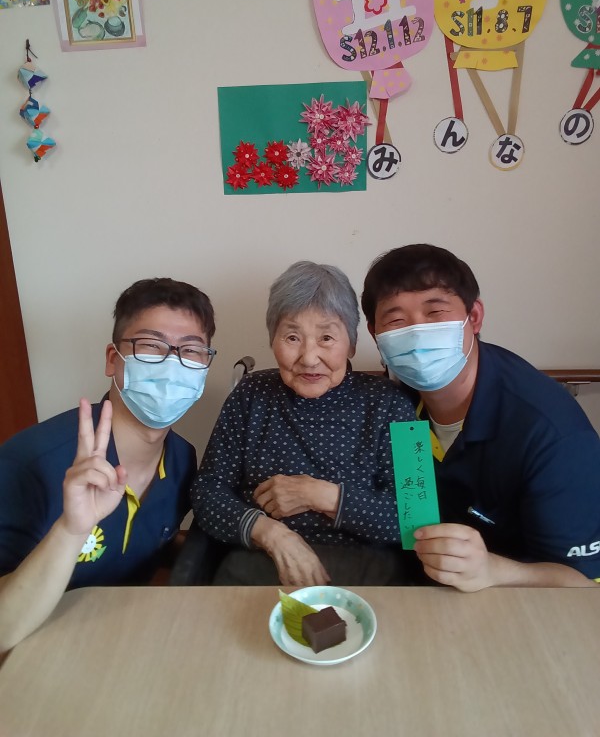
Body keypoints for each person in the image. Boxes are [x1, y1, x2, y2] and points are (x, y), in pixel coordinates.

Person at [361, 243, 600, 591]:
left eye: (435, 312)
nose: (417, 334)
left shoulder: (552, 434)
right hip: (419, 590)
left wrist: (494, 571)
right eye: (397, 320)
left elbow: (585, 589)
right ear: (376, 335)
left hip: (517, 600)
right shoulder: (394, 401)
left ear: (473, 317)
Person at [0, 277, 216, 651]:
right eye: (151, 346)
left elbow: (147, 544)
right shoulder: (27, 464)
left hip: (124, 640)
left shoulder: (182, 460)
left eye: (191, 350)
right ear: (113, 360)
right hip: (34, 656)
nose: (172, 364)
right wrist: (70, 530)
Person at [191, 261, 414, 587]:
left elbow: (415, 517)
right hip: (258, 564)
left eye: (326, 337)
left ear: (351, 343)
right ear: (273, 340)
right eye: (292, 337)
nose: (309, 357)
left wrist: (322, 496)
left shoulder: (393, 403)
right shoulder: (250, 395)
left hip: (367, 574)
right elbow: (207, 491)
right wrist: (270, 533)